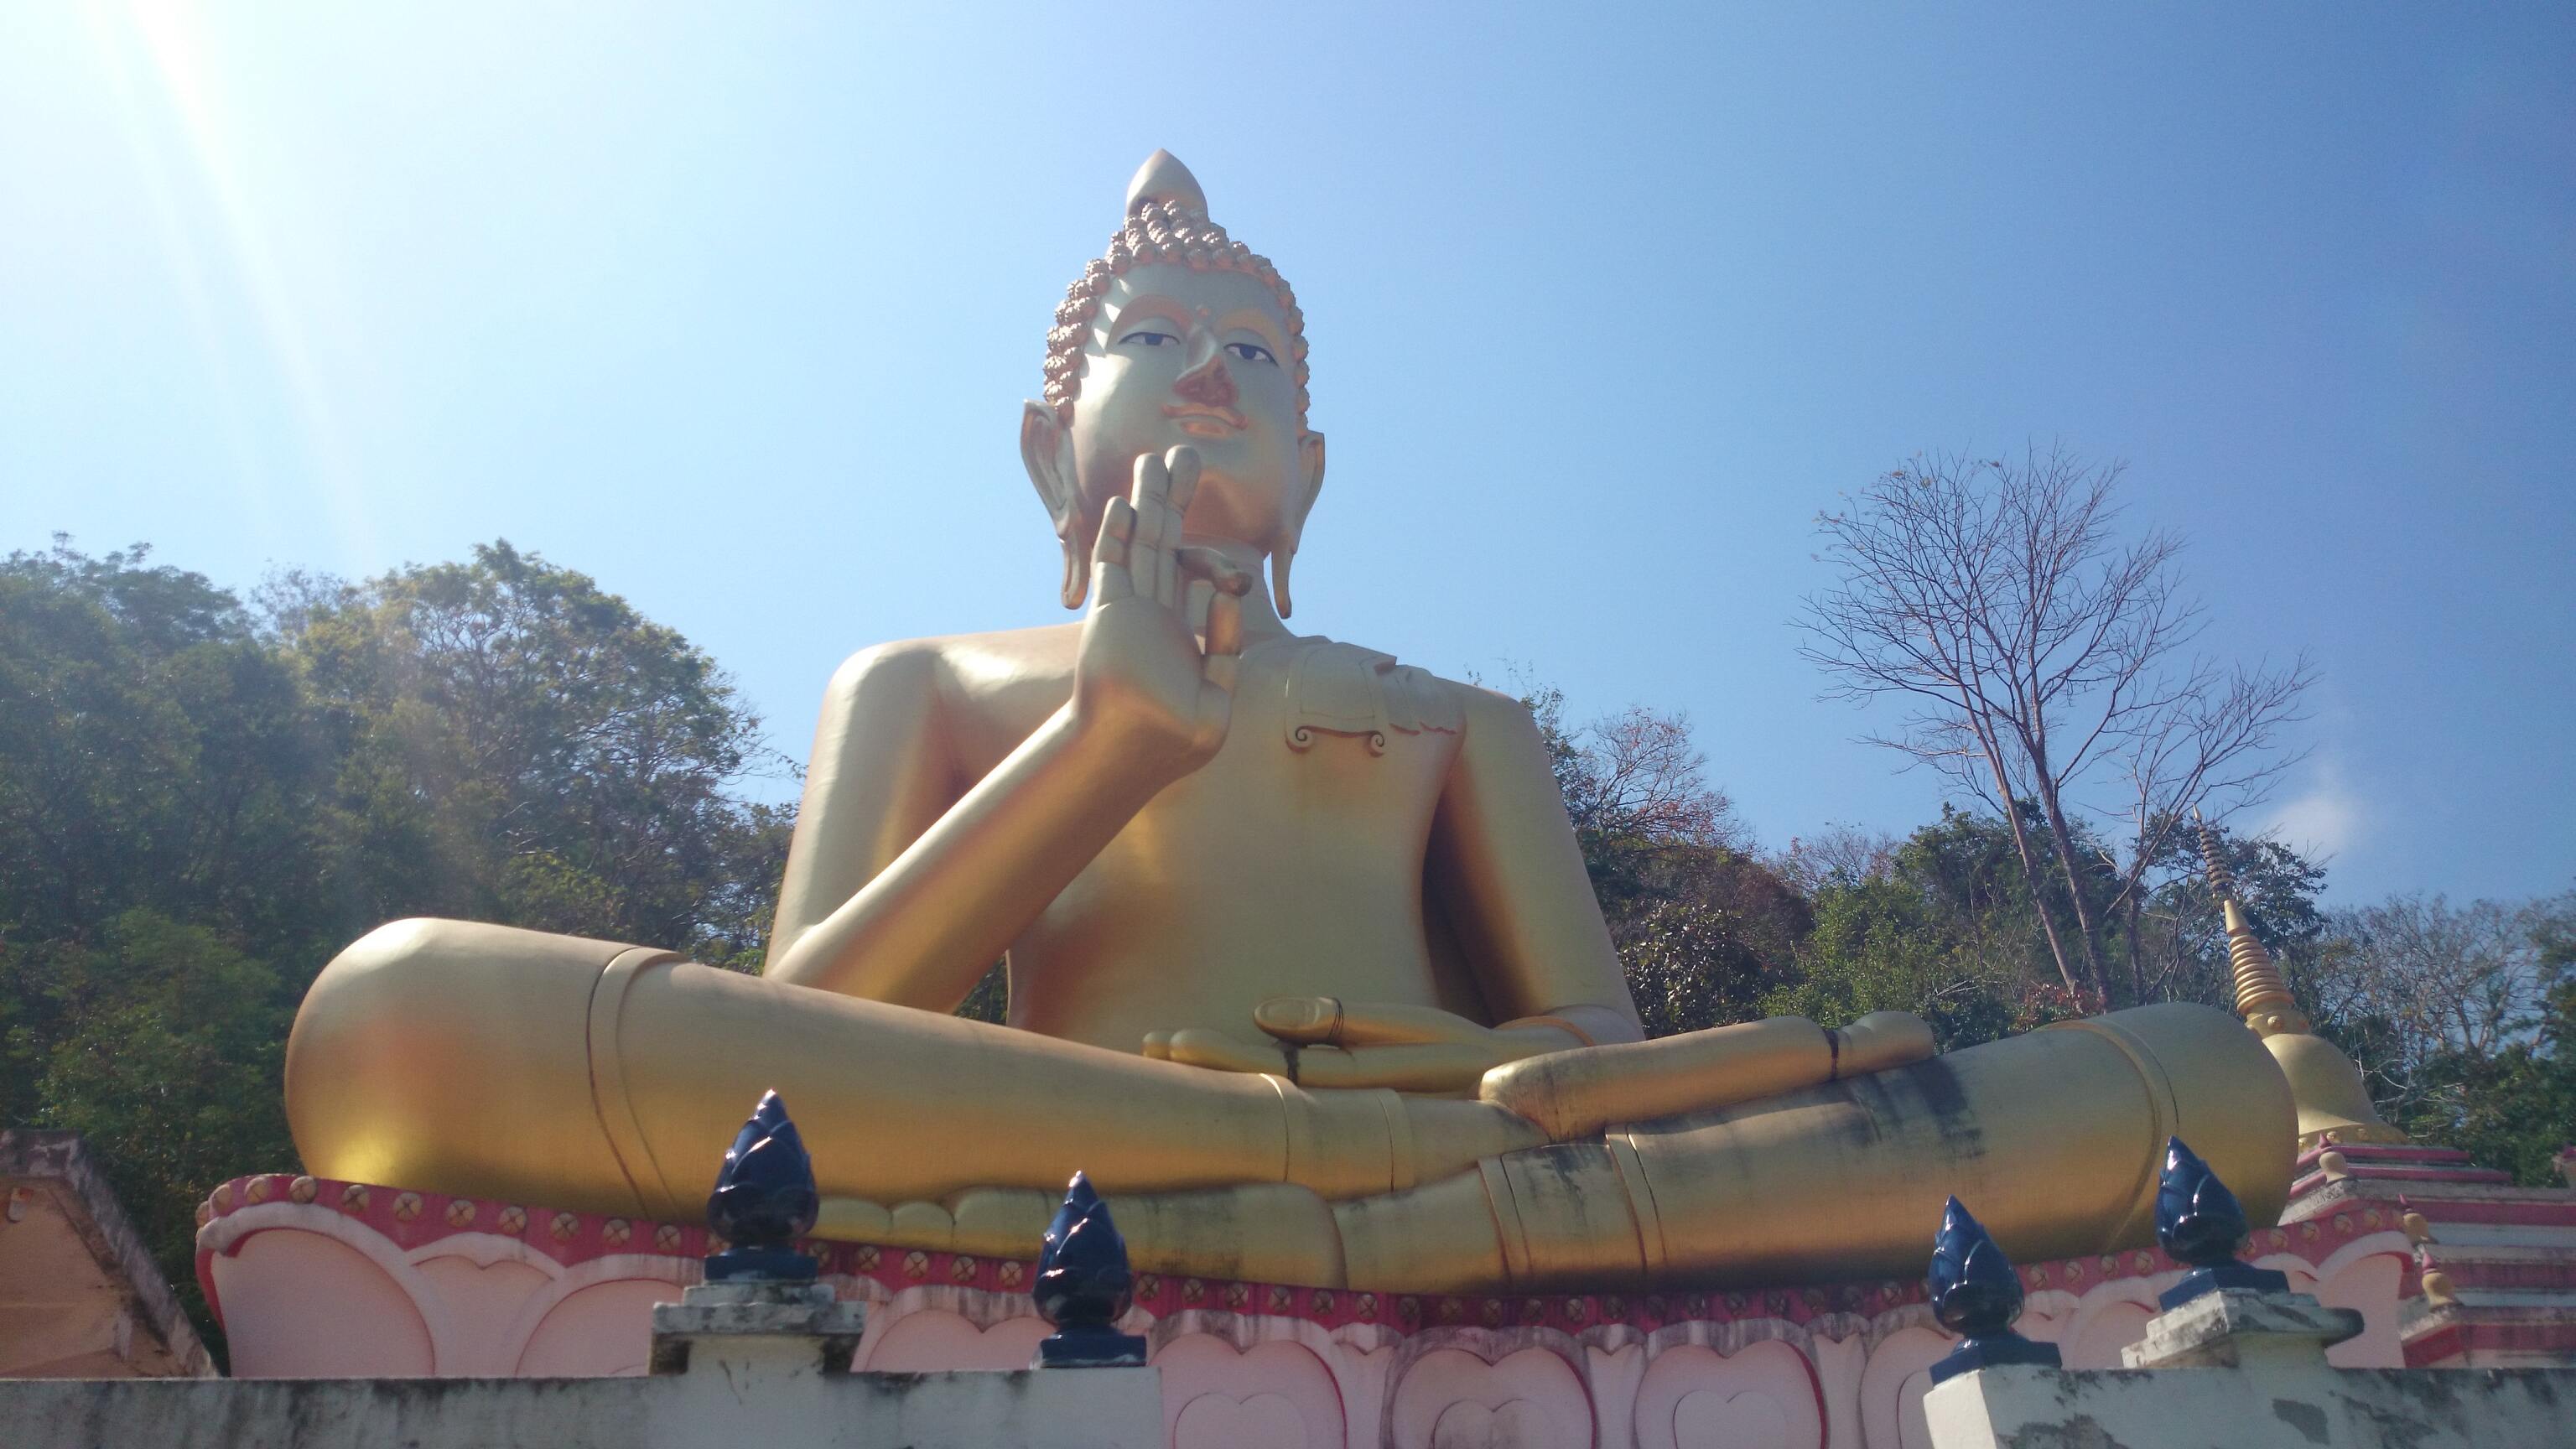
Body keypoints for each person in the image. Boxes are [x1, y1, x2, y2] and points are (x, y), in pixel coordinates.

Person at [287, 153, 2291, 1292]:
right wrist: (1104, 751)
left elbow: (1592, 1057)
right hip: (1143, 1147)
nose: (1211, 374)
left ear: (1314, 462)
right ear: (1042, 438)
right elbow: (792, 1060)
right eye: (1156, 341)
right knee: (395, 1023)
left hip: (1467, 1144)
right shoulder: (930, 684)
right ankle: (1375, 1213)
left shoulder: (1447, 716)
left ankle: (1363, 1199)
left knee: (2208, 1080)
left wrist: (1466, 1074)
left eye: (1256, 349)